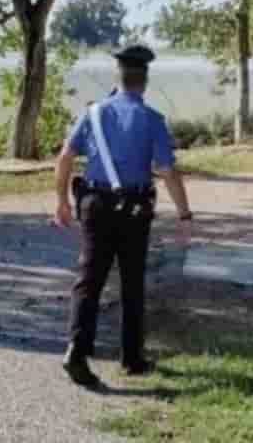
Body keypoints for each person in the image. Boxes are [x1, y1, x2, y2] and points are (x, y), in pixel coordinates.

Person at [53, 45, 194, 387]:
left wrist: (61, 201)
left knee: (89, 278)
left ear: (117, 78)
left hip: (95, 205)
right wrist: (184, 215)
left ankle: (77, 350)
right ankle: (132, 358)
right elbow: (167, 170)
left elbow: (65, 158)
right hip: (133, 210)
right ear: (144, 81)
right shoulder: (152, 120)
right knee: (132, 281)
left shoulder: (93, 113)